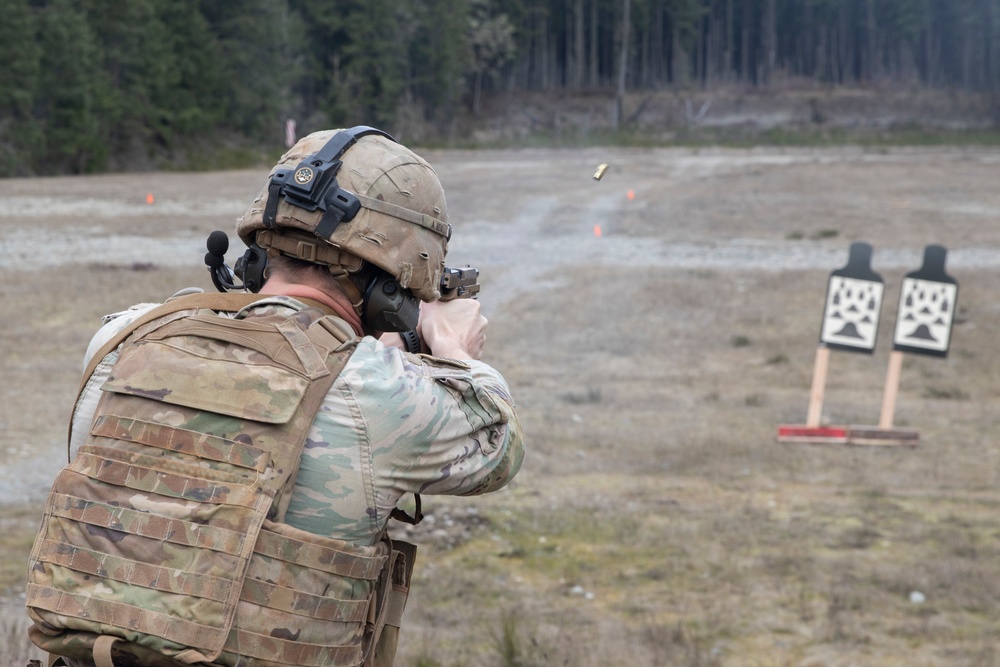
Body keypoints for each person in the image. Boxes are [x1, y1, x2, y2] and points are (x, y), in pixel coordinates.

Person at [25, 127, 524, 667]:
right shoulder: (377, 396)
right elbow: (499, 444)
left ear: (259, 254)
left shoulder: (121, 340)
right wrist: (456, 353)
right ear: (388, 290)